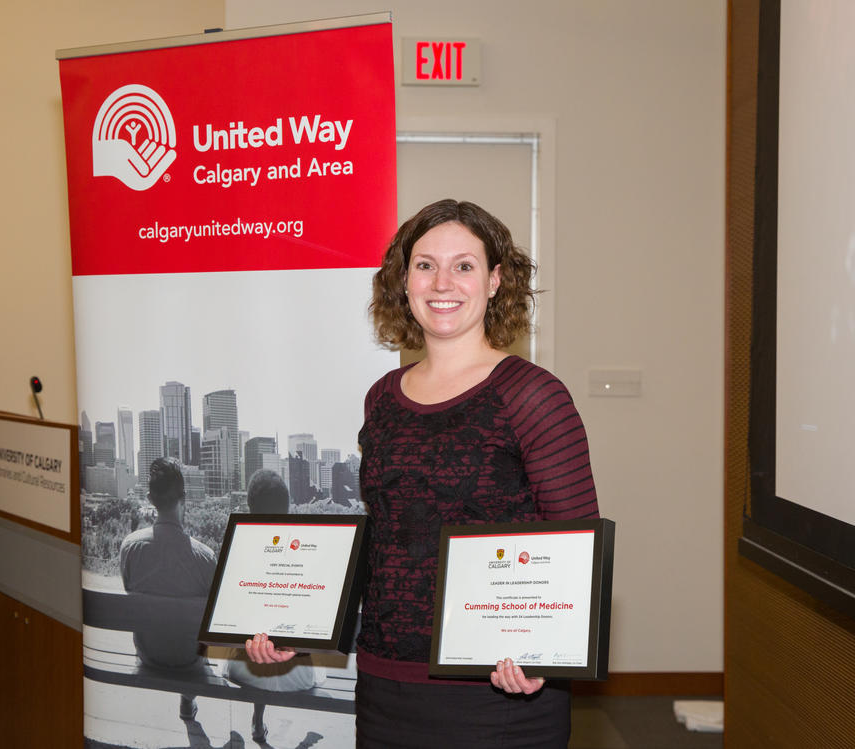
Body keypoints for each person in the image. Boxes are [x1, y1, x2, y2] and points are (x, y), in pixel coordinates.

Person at [246, 199, 600, 748]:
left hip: (498, 689)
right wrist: (306, 626)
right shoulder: (382, 399)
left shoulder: (532, 395)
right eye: (425, 264)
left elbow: (578, 544)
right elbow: (388, 539)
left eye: (464, 265)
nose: (443, 282)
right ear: (404, 280)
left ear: (495, 281)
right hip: (387, 682)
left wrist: (544, 657)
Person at [224, 469, 328, 743]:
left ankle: (258, 718)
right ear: (288, 510)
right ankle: (295, 739)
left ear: (250, 510)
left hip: (245, 671)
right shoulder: (304, 552)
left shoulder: (237, 553)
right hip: (293, 675)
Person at [119, 457, 217, 723]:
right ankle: (187, 700)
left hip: (148, 654)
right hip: (189, 661)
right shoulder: (206, 557)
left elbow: (128, 588)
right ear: (183, 497)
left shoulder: (129, 548)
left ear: (150, 498)